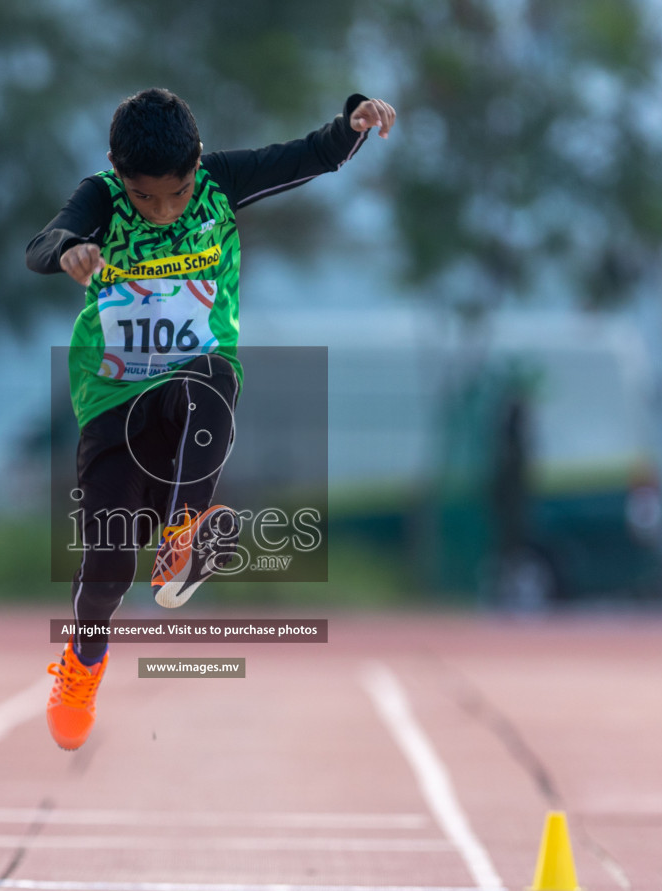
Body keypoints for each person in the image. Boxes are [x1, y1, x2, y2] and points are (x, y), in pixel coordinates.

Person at [26, 88, 396, 750]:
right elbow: (42, 242)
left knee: (211, 384)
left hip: (194, 381)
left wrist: (353, 121)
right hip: (113, 398)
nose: (165, 210)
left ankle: (183, 537)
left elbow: (310, 157)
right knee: (107, 565)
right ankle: (82, 662)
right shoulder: (100, 199)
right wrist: (69, 251)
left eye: (176, 193)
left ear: (197, 163)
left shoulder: (220, 183)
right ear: (117, 170)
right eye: (146, 198)